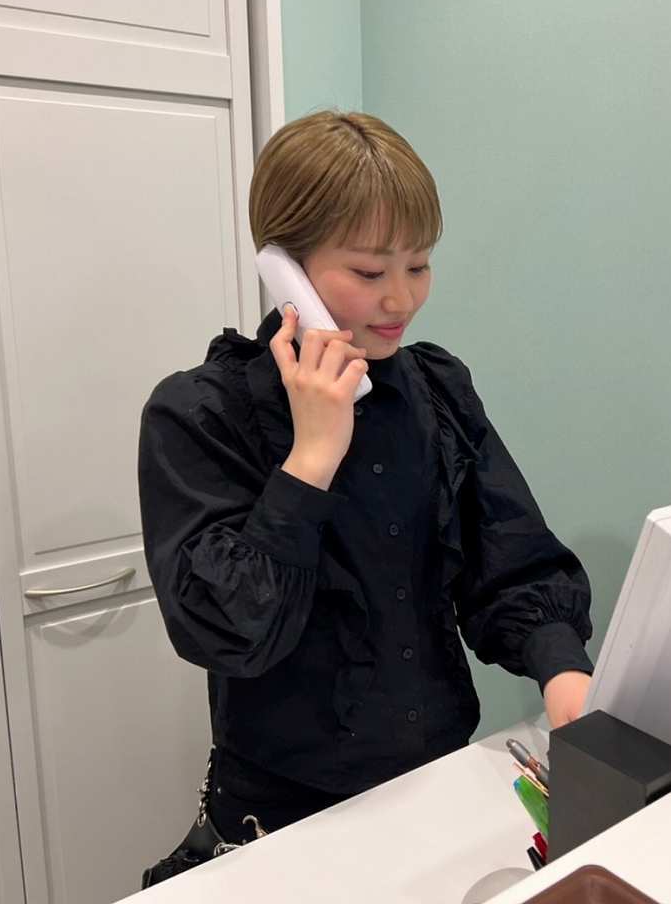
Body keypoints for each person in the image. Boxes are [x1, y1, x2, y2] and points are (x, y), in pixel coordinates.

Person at [136, 111, 593, 883]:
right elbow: (230, 631)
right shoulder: (201, 414)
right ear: (285, 267)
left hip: (436, 786)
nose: (402, 299)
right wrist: (312, 455)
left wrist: (564, 674)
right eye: (371, 273)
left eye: (419, 265)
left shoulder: (437, 389)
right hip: (284, 819)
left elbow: (510, 560)